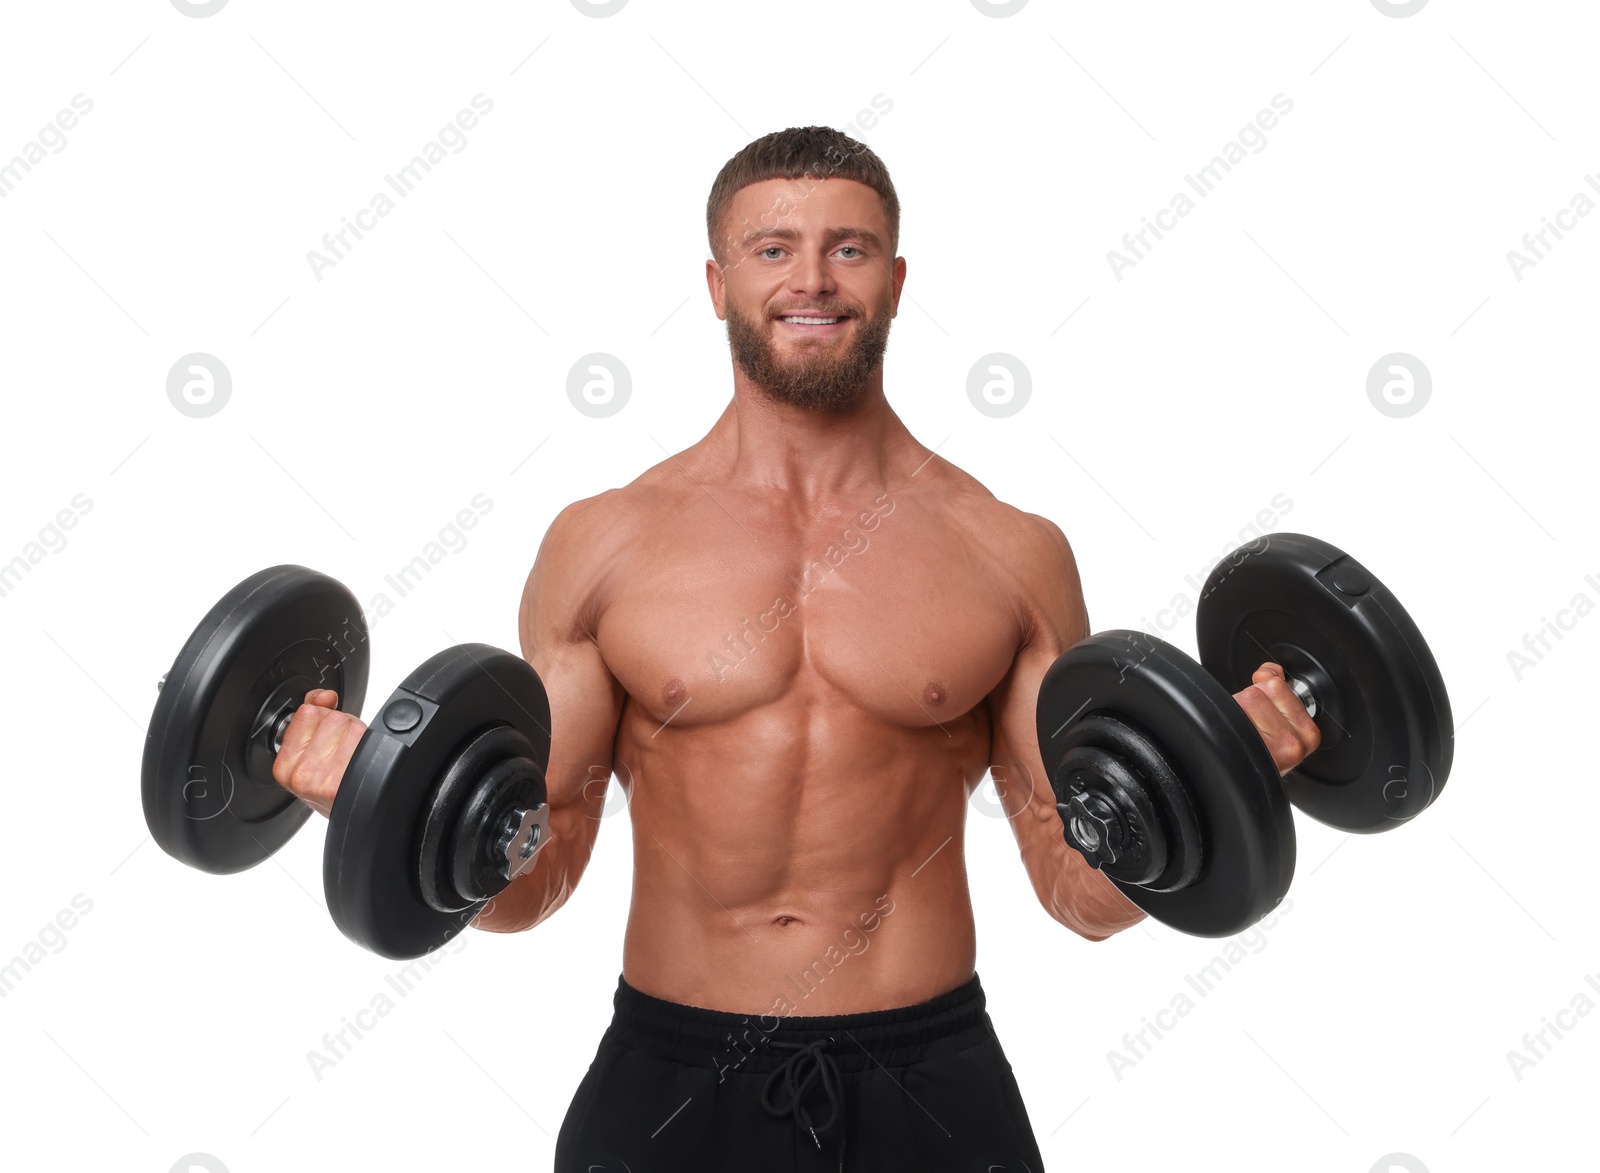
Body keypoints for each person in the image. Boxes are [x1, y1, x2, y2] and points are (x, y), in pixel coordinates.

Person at [274, 126, 1321, 1172]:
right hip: (670, 1082)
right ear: (717, 280)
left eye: (850, 248)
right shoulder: (604, 544)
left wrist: (1214, 777)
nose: (811, 279)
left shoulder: (1010, 551)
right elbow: (529, 882)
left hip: (930, 1087)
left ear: (897, 280)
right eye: (772, 249)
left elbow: (1075, 885)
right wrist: (383, 795)